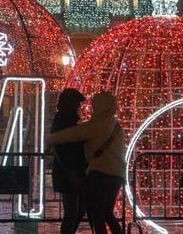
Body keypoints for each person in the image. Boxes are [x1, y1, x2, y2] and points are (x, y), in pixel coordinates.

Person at [48, 91, 125, 234]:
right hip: (116, 175)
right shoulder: (116, 125)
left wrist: (51, 139)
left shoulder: (97, 123)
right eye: (78, 104)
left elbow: (74, 134)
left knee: (96, 214)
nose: (81, 107)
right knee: (104, 213)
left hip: (99, 174)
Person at [51, 89, 88, 234]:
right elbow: (62, 146)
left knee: (77, 209)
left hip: (72, 169)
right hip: (68, 171)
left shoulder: (69, 118)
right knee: (72, 210)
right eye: (77, 103)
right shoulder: (64, 119)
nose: (79, 106)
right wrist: (70, 170)